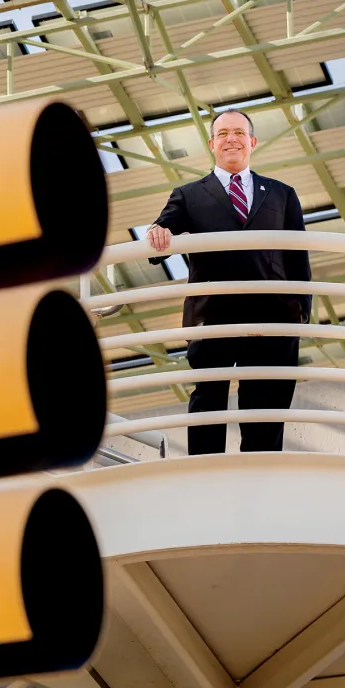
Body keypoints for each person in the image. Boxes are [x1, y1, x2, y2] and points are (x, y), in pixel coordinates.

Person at [146, 108, 312, 455]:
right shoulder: (189, 194)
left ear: (251, 142)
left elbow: (298, 257)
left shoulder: (282, 194)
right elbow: (161, 234)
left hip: (273, 316)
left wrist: (300, 312)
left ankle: (260, 477)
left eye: (238, 133)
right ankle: (206, 475)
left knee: (266, 405)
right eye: (222, 134)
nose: (231, 139)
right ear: (211, 145)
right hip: (213, 316)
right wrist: (157, 231)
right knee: (208, 399)